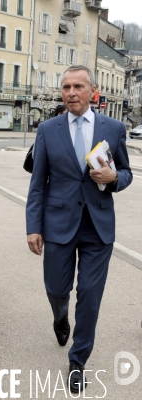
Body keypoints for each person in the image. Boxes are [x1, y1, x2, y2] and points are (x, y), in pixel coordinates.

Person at [26, 65, 132, 393]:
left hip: (97, 227)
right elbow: (38, 185)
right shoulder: (47, 129)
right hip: (58, 224)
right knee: (57, 289)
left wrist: (114, 179)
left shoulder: (113, 129)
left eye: (78, 86)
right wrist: (33, 226)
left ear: (92, 91)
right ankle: (60, 316)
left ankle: (77, 360)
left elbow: (126, 172)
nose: (71, 92)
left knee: (89, 294)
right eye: (66, 87)